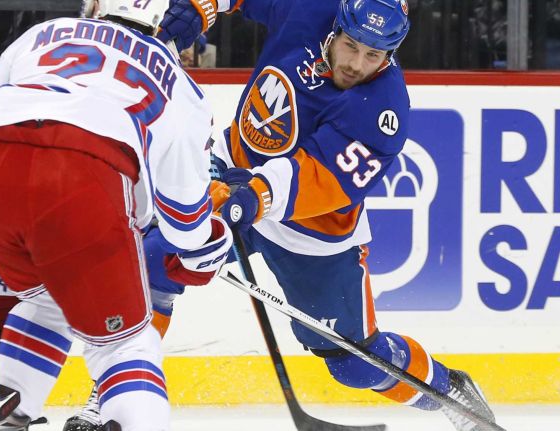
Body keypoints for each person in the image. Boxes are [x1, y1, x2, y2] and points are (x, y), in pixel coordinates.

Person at [173, 0, 498, 430]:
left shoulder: (384, 111)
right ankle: (110, 399)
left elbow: (320, 178)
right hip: (230, 177)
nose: (357, 64)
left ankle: (449, 391)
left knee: (354, 366)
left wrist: (253, 196)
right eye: (351, 46)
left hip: (310, 232)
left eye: (374, 55)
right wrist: (200, 6)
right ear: (336, 28)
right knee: (160, 260)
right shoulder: (311, 8)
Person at [0, 0, 234, 429]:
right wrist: (209, 247)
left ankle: (8, 416)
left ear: (97, 4)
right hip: (79, 188)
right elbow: (185, 224)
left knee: (49, 299)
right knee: (127, 347)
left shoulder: (41, 34)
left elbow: (9, 139)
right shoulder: (180, 87)